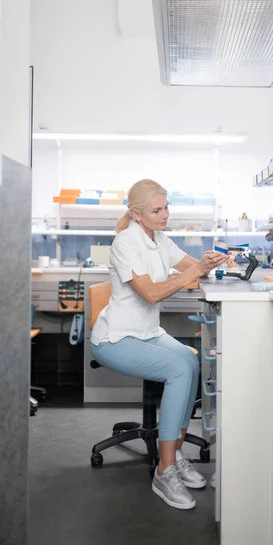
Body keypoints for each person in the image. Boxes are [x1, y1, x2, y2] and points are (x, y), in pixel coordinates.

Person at [90, 179, 227, 510]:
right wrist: (194, 270)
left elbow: (190, 268)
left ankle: (174, 454)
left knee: (189, 362)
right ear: (137, 215)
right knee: (179, 367)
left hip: (148, 332)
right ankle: (164, 472)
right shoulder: (125, 243)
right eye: (157, 210)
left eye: (166, 207)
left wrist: (214, 263)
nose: (165, 214)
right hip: (116, 338)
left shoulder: (160, 239)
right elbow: (150, 292)